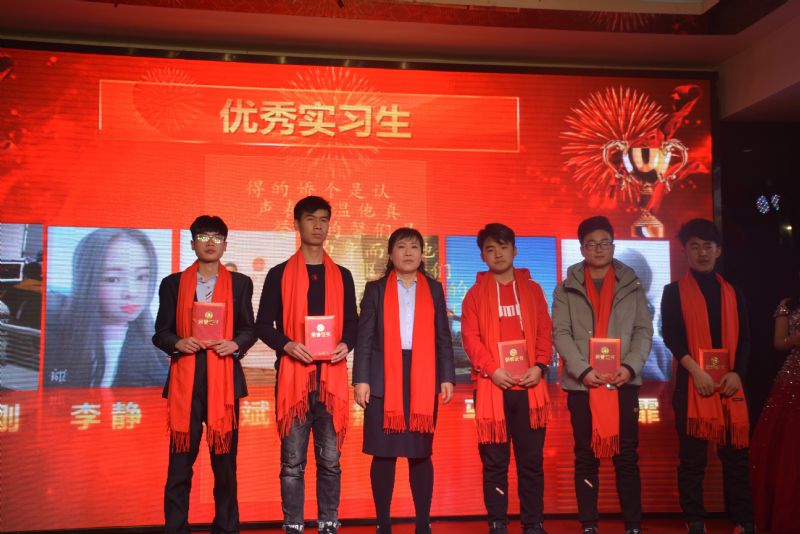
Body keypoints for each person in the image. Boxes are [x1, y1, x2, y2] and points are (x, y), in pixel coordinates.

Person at [256, 196, 358, 534]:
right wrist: (288, 345)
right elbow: (262, 325)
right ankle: (294, 525)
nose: (318, 225)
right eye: (311, 218)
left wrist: (346, 344)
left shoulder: (342, 276)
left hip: (331, 380)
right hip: (293, 379)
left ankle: (329, 523)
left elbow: (353, 324)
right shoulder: (279, 274)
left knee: (330, 461)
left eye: (324, 219)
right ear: (297, 223)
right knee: (292, 464)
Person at [153, 215, 256, 534]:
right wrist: (178, 342)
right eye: (203, 237)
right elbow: (161, 332)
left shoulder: (240, 284)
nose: (210, 243)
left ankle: (226, 528)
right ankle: (175, 528)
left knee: (225, 467)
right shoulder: (172, 284)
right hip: (186, 383)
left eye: (217, 237)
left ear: (225, 245)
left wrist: (235, 344)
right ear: (192, 243)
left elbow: (249, 329)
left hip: (224, 384)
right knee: (180, 466)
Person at [552, 216, 652, 534]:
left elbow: (643, 330)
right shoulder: (566, 286)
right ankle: (589, 525)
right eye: (591, 244)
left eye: (604, 243)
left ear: (613, 245)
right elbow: (561, 332)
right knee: (586, 456)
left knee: (626, 457)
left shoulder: (632, 283)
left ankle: (633, 525)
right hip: (582, 384)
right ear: (582, 248)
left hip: (623, 381)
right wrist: (583, 369)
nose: (598, 249)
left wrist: (630, 367)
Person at [353, 227, 456, 534]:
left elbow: (443, 337)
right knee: (383, 454)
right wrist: (361, 379)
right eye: (401, 246)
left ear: (422, 254)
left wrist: (447, 376)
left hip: (422, 378)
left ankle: (423, 523)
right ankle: (383, 523)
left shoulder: (434, 289)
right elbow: (364, 338)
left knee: (420, 454)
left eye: (414, 247)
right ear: (390, 253)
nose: (408, 252)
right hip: (382, 378)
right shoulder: (375, 289)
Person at [660, 219, 754, 534]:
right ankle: (695, 520)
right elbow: (672, 336)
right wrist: (696, 372)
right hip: (692, 384)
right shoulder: (673, 292)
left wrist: (737, 374)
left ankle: (743, 520)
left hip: (730, 384)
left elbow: (746, 340)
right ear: (684, 252)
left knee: (736, 458)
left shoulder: (733, 292)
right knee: (692, 460)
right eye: (695, 246)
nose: (702, 253)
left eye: (708, 246)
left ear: (718, 250)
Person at [460, 223, 552, 534]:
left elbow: (545, 332)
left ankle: (533, 523)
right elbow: (470, 339)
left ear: (514, 250)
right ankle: (497, 523)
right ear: (482, 256)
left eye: (503, 247)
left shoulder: (533, 290)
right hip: (492, 387)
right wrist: (492, 369)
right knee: (495, 463)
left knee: (531, 462)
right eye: (490, 249)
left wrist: (539, 366)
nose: (497, 254)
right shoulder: (474, 295)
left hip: (530, 386)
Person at [45, 227, 167, 387]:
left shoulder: (158, 347)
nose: (132, 292)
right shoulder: (51, 338)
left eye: (141, 277)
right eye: (113, 279)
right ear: (88, 280)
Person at [750, 285, 800, 533]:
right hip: (794, 377)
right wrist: (795, 340)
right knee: (787, 447)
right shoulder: (788, 304)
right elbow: (779, 342)